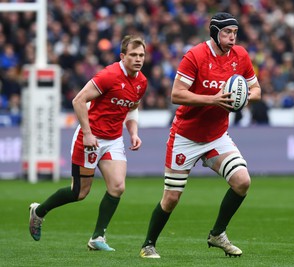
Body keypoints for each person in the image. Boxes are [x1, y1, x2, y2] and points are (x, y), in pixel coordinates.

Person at [139, 12, 261, 258]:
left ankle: (218, 234)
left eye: (235, 33)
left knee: (242, 181)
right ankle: (148, 245)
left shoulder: (241, 56)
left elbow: (256, 89)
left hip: (216, 136)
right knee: (171, 198)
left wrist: (242, 99)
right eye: (227, 32)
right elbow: (176, 94)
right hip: (185, 136)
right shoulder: (195, 55)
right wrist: (213, 99)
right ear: (215, 33)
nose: (232, 38)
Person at [29, 35, 148, 251]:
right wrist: (87, 133)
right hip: (90, 138)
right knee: (80, 193)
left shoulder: (141, 81)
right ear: (123, 56)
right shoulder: (109, 75)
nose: (138, 59)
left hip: (113, 140)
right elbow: (78, 100)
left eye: (141, 55)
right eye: (133, 55)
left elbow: (132, 107)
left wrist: (133, 132)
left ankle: (97, 237)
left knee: (118, 186)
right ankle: (39, 212)